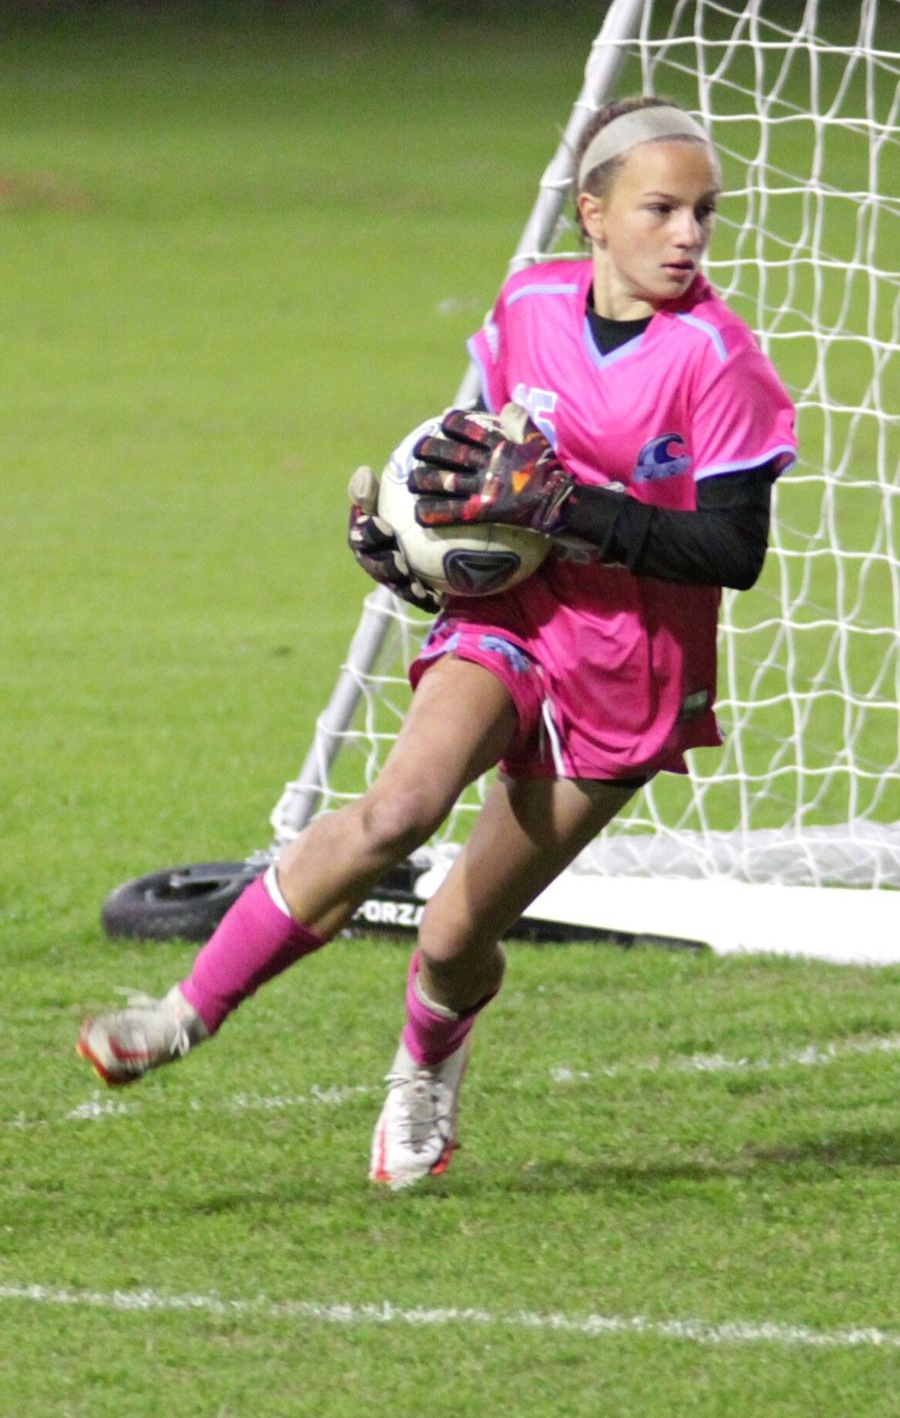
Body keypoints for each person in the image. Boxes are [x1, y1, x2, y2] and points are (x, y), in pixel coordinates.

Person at [78, 97, 798, 1187]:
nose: (690, 235)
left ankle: (427, 1065)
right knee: (395, 811)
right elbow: (474, 468)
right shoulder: (526, 303)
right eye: (663, 208)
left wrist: (568, 513)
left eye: (706, 212)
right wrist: (415, 548)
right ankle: (182, 1014)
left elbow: (733, 550)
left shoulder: (719, 359)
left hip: (629, 675)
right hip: (513, 622)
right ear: (593, 214)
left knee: (457, 934)